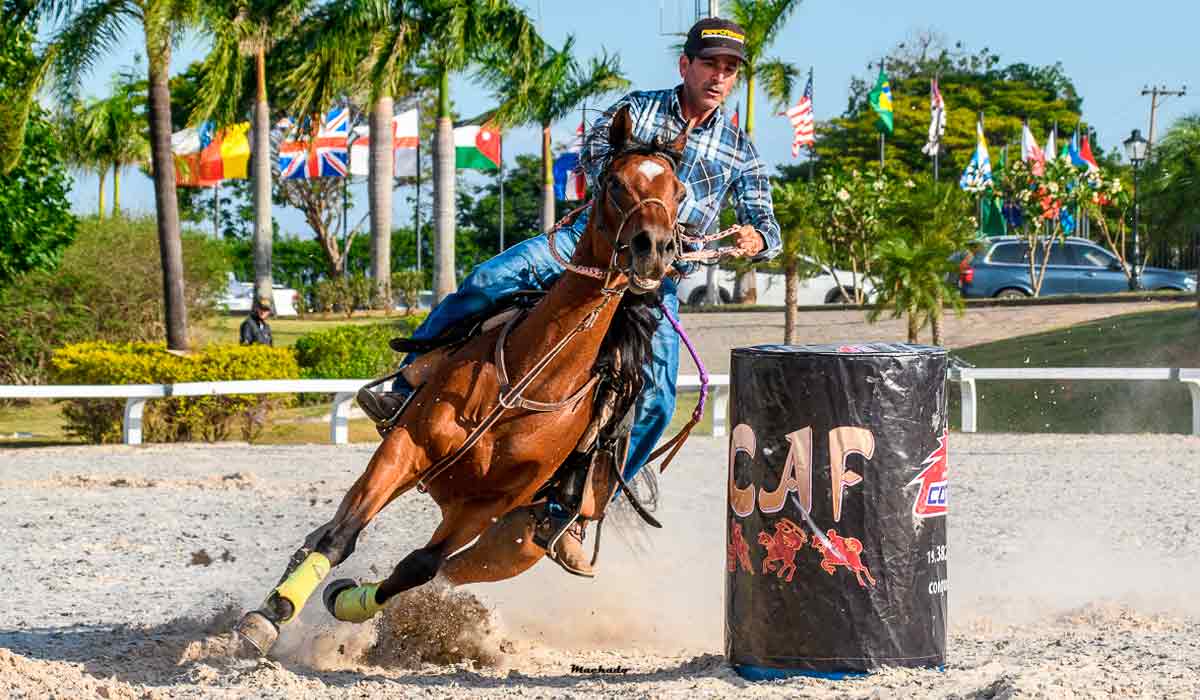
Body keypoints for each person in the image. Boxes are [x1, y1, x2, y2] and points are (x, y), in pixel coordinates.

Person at [358, 17, 781, 577]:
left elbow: (767, 228)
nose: (719, 76)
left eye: (729, 69)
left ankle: (575, 508)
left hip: (656, 279)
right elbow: (590, 160)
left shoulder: (740, 150)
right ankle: (405, 382)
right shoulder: (638, 110)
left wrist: (752, 239)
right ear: (686, 66)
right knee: (487, 279)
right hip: (582, 248)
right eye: (710, 65)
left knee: (655, 399)